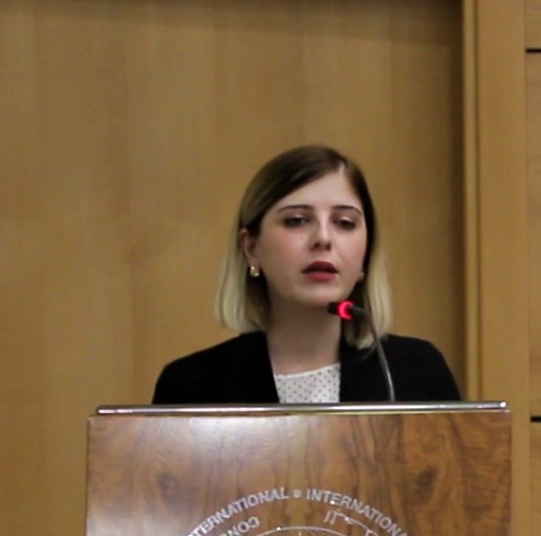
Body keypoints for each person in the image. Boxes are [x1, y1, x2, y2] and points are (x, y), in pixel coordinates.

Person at [153, 145, 461, 404]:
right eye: (297, 220)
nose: (323, 238)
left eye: (344, 223)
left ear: (365, 254)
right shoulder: (191, 386)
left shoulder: (416, 372)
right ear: (251, 247)